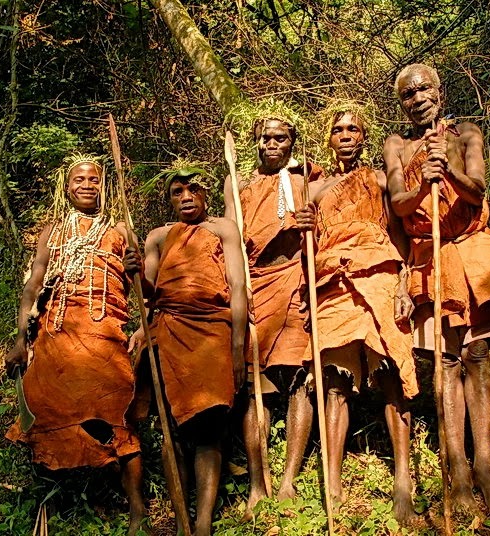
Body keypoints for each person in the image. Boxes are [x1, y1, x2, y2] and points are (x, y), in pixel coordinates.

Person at [384, 64, 490, 517]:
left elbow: (478, 191)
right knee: (444, 362)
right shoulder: (398, 145)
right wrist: (424, 176)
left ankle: (486, 466)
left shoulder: (466, 133)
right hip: (429, 255)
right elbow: (399, 205)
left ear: (439, 91)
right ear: (401, 103)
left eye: (424, 89)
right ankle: (457, 469)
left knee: (477, 356)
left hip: (470, 249)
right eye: (408, 94)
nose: (418, 98)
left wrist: (452, 173)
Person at [5, 152, 146, 535]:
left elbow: (144, 293)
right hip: (54, 335)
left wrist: (143, 322)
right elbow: (32, 286)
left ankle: (137, 511)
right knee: (46, 411)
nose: (87, 185)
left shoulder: (121, 231)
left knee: (117, 414)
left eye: (94, 179)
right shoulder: (53, 232)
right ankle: (52, 506)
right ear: (67, 188)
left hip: (103, 335)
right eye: (79, 180)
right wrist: (20, 339)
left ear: (104, 186)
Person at [294, 105, 419, 525]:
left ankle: (403, 480)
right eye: (338, 129)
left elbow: (400, 233)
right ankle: (332, 484)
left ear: (364, 137)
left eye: (354, 129)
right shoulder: (313, 190)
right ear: (328, 138)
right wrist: (304, 227)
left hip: (380, 272)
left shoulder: (380, 180)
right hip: (332, 280)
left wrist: (404, 283)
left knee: (392, 375)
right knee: (333, 383)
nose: (346, 135)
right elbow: (304, 247)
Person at [125, 167, 247, 536]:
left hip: (212, 330)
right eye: (178, 192)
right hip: (170, 330)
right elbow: (149, 292)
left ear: (205, 193)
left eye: (193, 189)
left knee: (209, 427)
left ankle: (204, 523)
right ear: (170, 199)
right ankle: (181, 522)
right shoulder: (159, 236)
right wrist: (135, 273)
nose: (187, 197)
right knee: (172, 428)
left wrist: (238, 344)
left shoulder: (223, 228)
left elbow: (238, 287)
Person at [223, 113, 322, 517]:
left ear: (292, 143)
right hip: (256, 286)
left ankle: (288, 480)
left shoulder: (305, 183)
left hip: (297, 280)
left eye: (281, 138)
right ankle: (257, 482)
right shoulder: (238, 183)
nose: (272, 145)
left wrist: (312, 223)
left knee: (300, 378)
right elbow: (230, 239)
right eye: (265, 138)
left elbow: (326, 231)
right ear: (255, 142)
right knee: (253, 387)